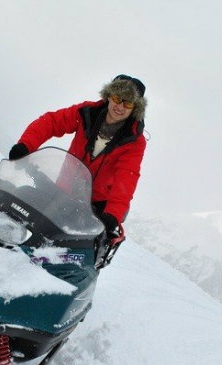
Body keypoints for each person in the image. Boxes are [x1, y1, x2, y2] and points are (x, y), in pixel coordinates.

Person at [8, 74, 147, 243]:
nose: (120, 106)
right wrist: (26, 145)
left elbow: (126, 178)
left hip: (95, 206)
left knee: (73, 246)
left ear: (135, 108)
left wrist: (112, 215)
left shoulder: (133, 140)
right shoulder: (87, 113)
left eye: (128, 103)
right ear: (109, 96)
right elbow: (52, 122)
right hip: (63, 189)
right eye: (118, 98)